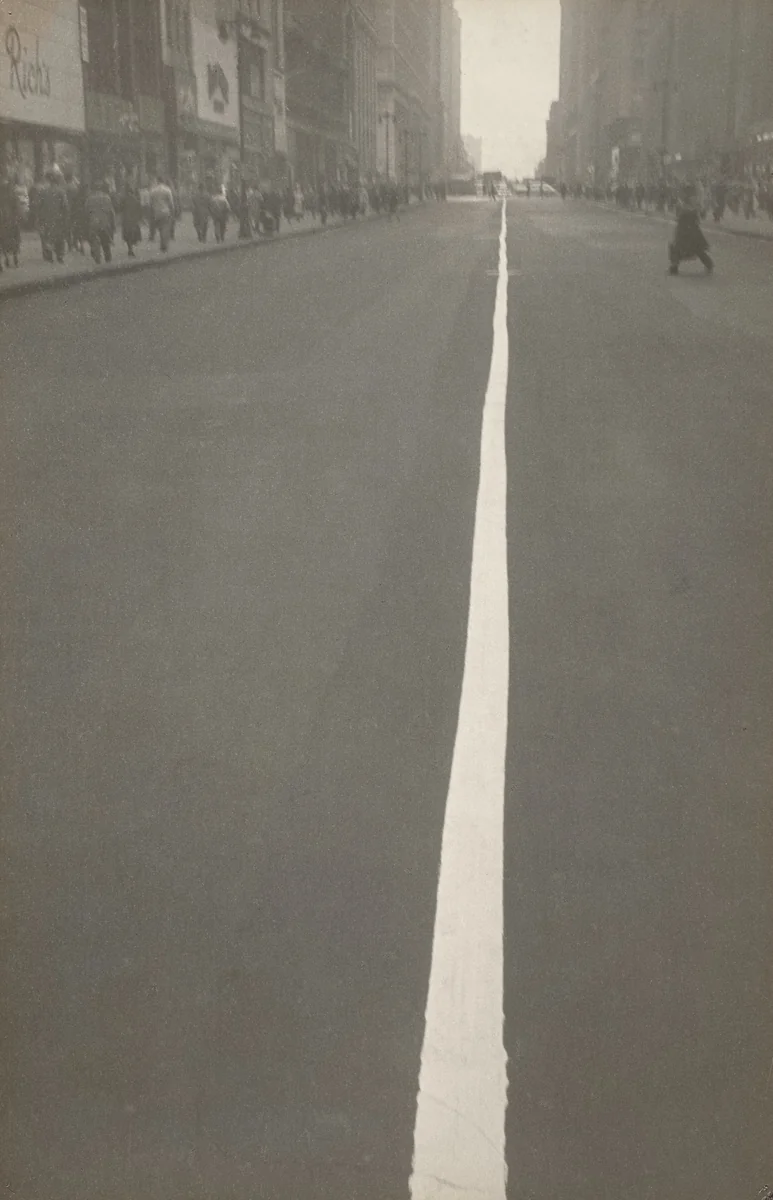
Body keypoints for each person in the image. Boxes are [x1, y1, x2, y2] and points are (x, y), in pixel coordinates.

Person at [668, 183, 713, 276]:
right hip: (685, 229)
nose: (692, 197)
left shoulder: (692, 204)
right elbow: (678, 215)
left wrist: (704, 207)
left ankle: (709, 264)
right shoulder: (682, 204)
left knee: (695, 247)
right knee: (680, 247)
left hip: (689, 229)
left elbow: (702, 215)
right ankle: (674, 266)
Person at [37, 166, 69, 263]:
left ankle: (49, 256)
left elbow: (39, 206)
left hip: (46, 218)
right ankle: (60, 256)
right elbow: (65, 206)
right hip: (58, 218)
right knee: (59, 237)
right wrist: (65, 217)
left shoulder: (43, 192)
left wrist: (40, 218)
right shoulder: (61, 191)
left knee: (47, 237)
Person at [85, 180, 116, 264]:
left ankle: (97, 258)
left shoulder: (89, 199)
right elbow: (111, 212)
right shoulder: (107, 197)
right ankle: (107, 257)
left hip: (93, 222)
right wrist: (113, 223)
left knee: (94, 239)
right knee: (105, 241)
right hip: (105, 222)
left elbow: (86, 212)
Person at [0, 176, 22, 269]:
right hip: (13, 221)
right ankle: (15, 259)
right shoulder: (14, 195)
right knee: (15, 240)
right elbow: (17, 209)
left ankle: (7, 259)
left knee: (4, 241)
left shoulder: (2, 197)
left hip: (3, 222)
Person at [149, 175, 175, 252]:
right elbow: (171, 202)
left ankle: (162, 244)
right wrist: (172, 211)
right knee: (165, 228)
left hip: (156, 212)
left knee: (160, 228)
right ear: (163, 181)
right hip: (166, 211)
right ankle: (164, 246)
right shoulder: (167, 190)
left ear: (157, 181)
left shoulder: (153, 190)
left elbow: (151, 202)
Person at [121, 183, 142, 257]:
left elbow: (120, 208)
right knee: (132, 235)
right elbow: (139, 210)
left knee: (127, 235)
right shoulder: (136, 199)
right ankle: (131, 249)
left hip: (126, 220)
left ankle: (130, 249)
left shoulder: (124, 199)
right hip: (133, 220)